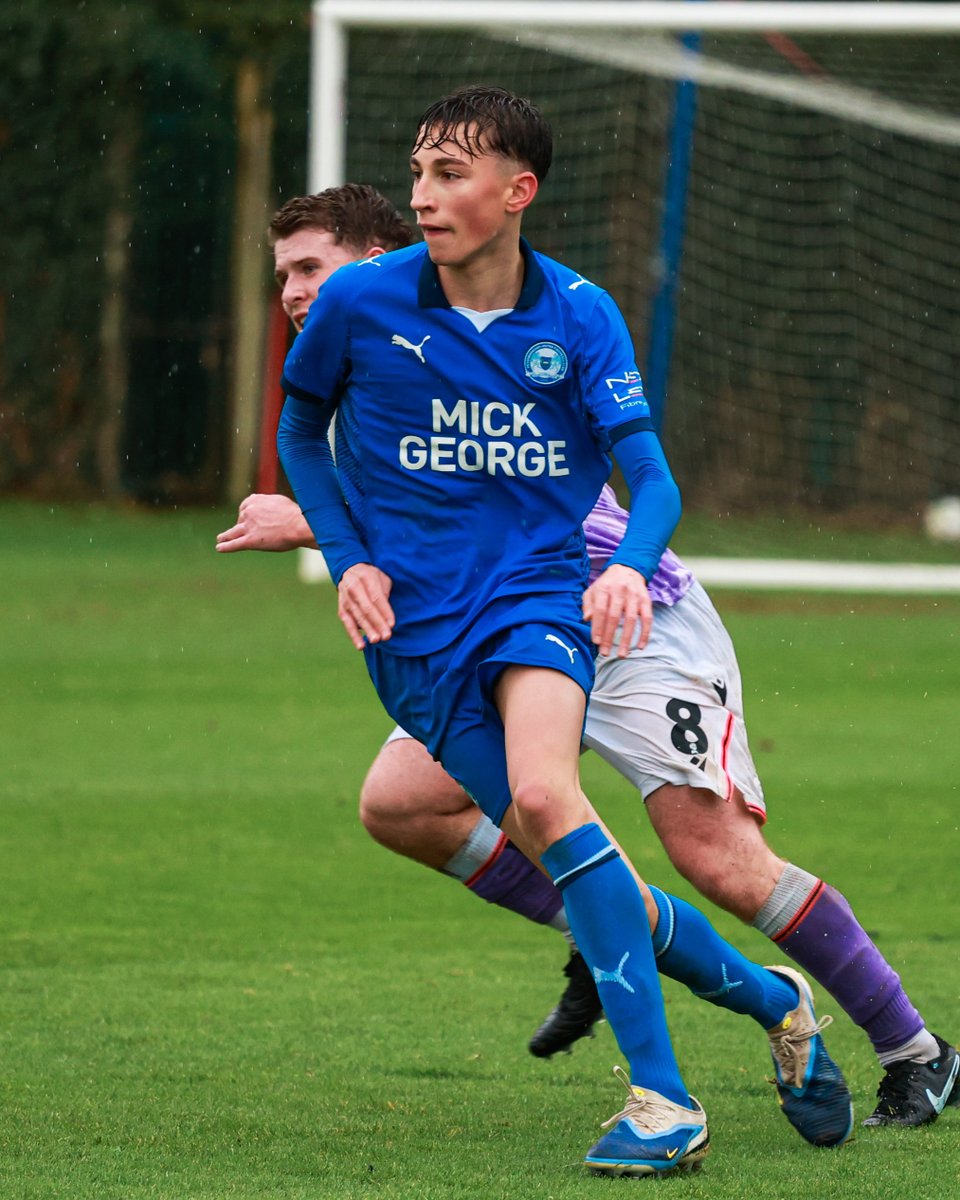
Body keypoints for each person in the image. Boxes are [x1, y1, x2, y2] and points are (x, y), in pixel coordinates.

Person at [220, 179, 957, 1133]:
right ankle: (602, 917)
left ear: (373, 264)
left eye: (309, 268)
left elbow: (498, 503)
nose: (291, 292)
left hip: (622, 614)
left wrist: (315, 525)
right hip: (502, 631)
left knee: (718, 859)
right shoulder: (361, 352)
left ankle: (916, 1050)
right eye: (282, 274)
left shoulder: (461, 329)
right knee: (402, 803)